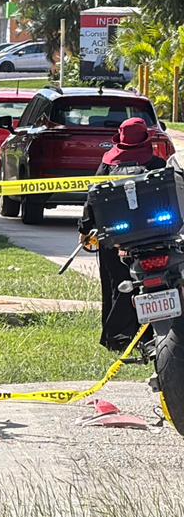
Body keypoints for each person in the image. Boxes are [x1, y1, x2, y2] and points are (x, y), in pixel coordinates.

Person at [78, 117, 167, 351]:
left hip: (113, 238)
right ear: (145, 139)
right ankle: (148, 335)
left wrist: (85, 229)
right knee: (151, 285)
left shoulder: (108, 166)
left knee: (115, 285)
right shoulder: (157, 165)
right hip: (153, 238)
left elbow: (92, 198)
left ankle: (115, 336)